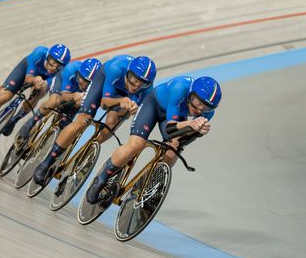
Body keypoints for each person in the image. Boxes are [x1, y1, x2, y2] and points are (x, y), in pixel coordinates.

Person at [85, 75, 222, 204]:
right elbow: (170, 129)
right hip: (154, 105)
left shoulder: (208, 114)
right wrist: (190, 124)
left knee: (173, 150)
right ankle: (102, 177)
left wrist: (198, 133)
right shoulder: (179, 88)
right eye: (197, 102)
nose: (199, 109)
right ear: (190, 94)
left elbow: (183, 139)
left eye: (206, 107)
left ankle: (149, 185)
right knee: (135, 145)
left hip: (174, 117)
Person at [32, 55, 157, 186]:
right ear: (128, 73)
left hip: (123, 96)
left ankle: (85, 154)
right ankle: (47, 162)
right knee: (82, 121)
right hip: (103, 81)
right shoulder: (116, 69)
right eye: (133, 80)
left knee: (111, 124)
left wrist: (130, 109)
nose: (136, 86)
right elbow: (103, 104)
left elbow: (128, 110)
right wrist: (121, 101)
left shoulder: (147, 90)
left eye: (141, 83)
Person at [0, 43, 71, 139]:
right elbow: (28, 78)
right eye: (52, 62)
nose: (54, 67)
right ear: (48, 56)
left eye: (59, 66)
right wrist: (34, 79)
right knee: (4, 96)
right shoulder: (39, 53)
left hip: (45, 79)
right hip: (27, 70)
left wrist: (42, 85)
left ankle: (14, 120)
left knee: (39, 93)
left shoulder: (60, 73)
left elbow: (49, 86)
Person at [16, 58, 102, 142]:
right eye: (83, 79)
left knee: (69, 125)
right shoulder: (71, 69)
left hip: (77, 94)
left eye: (88, 83)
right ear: (78, 73)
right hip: (62, 82)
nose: (84, 85)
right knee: (54, 102)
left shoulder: (98, 85)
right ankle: (31, 122)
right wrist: (74, 95)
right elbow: (63, 96)